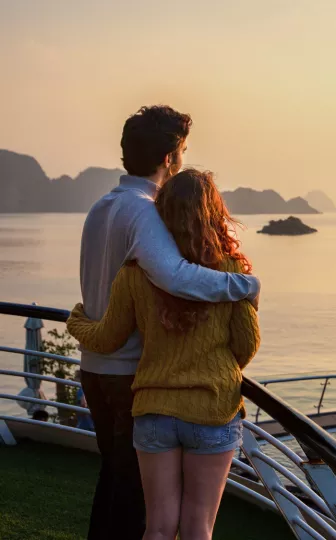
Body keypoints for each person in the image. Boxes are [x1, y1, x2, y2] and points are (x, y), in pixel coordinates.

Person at [77, 106, 261, 540]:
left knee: (115, 489)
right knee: (134, 509)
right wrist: (244, 285)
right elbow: (176, 277)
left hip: (96, 369)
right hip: (131, 377)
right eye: (182, 150)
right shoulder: (144, 211)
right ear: (169, 158)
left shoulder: (101, 207)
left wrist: (81, 325)